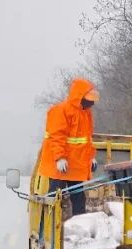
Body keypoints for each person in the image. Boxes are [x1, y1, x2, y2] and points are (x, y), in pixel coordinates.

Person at [39, 78, 99, 215]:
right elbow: (56, 136)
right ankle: (48, 224)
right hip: (60, 166)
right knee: (54, 198)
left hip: (75, 166)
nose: (91, 102)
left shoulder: (86, 113)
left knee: (79, 199)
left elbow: (86, 140)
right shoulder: (60, 110)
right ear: (79, 96)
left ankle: (80, 225)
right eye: (88, 98)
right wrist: (60, 158)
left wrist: (91, 158)